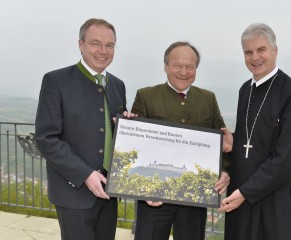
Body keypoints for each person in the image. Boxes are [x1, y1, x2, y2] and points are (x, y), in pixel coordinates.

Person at [35, 18, 132, 240]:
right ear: (81, 44)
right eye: (95, 43)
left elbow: (111, 133)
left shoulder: (118, 85)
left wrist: (128, 126)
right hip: (74, 193)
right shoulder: (55, 81)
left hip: (109, 192)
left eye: (110, 45)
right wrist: (86, 174)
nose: (103, 51)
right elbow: (46, 138)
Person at [218, 23, 291, 240]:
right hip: (245, 198)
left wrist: (245, 192)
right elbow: (257, 142)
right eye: (248, 52)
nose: (255, 57)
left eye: (261, 49)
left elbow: (289, 159)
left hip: (278, 203)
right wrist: (233, 143)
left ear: (275, 50)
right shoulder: (245, 90)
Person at [131, 41, 231, 240]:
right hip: (153, 198)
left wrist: (226, 170)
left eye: (190, 66)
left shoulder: (208, 99)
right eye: (177, 66)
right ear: (166, 66)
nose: (183, 72)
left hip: (194, 198)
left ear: (196, 69)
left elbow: (222, 141)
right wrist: (141, 189)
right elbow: (135, 145)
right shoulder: (146, 96)